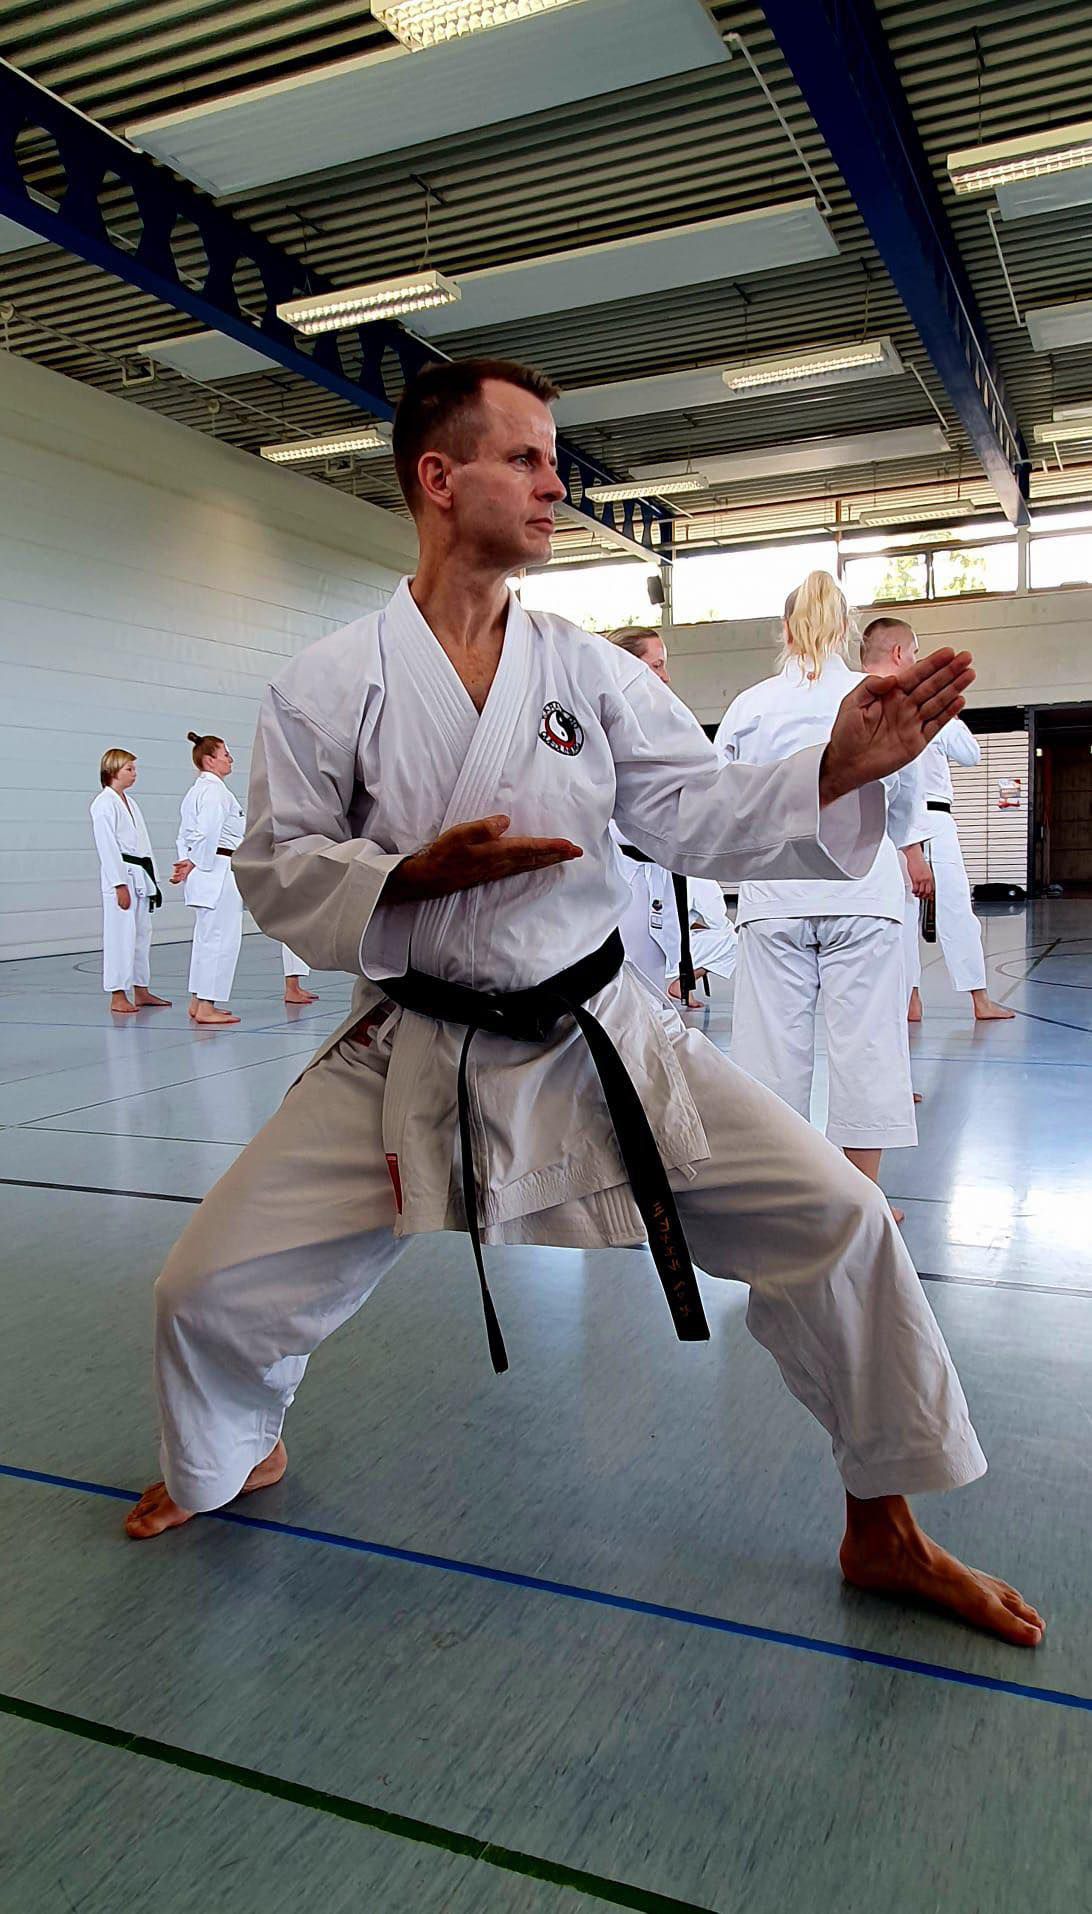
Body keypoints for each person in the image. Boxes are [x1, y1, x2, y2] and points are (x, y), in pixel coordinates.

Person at [125, 357, 1040, 1649]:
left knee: (839, 1220)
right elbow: (275, 867)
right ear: (440, 478)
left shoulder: (586, 672)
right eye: (527, 459)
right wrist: (402, 876)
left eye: (555, 461)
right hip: (412, 1045)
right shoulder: (328, 682)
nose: (558, 485)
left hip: (594, 1032)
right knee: (200, 1289)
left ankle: (882, 1526)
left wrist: (837, 765)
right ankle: (233, 1447)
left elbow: (697, 810)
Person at [715, 573, 931, 1224]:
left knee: (769, 1055)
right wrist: (903, 844)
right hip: (861, 890)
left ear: (784, 630)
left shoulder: (750, 707)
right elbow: (903, 797)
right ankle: (862, 1200)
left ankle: (783, 1199)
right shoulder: (876, 697)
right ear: (845, 630)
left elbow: (722, 796)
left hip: (775, 892)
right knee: (868, 1045)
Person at [861, 618, 1014, 1023]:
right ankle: (960, 1000)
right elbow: (969, 754)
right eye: (913, 652)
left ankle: (925, 999)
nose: (915, 660)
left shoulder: (872, 701)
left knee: (916, 912)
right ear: (899, 653)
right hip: (915, 819)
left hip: (899, 823)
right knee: (937, 911)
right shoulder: (901, 703)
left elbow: (970, 754)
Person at [606, 627, 737, 1007]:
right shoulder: (594, 723)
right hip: (616, 868)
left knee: (651, 993)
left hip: (659, 871)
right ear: (627, 667)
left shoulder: (670, 722)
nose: (665, 677)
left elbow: (710, 776)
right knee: (620, 989)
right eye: (656, 665)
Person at [89, 749, 171, 1015]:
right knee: (120, 936)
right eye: (129, 769)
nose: (134, 774)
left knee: (141, 934)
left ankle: (141, 989)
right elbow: (107, 846)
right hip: (122, 875)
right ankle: (117, 994)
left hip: (139, 874)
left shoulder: (130, 802)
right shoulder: (103, 803)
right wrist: (118, 884)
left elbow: (144, 845)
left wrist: (153, 880)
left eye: (134, 769)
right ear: (113, 771)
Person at [174, 733, 245, 1027]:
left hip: (205, 871)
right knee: (221, 940)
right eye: (225, 754)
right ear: (209, 760)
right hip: (217, 870)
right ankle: (206, 1005)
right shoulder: (214, 792)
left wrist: (186, 861)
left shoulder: (196, 792)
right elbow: (207, 832)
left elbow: (184, 835)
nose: (230, 759)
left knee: (205, 940)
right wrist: (193, 861)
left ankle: (197, 1001)